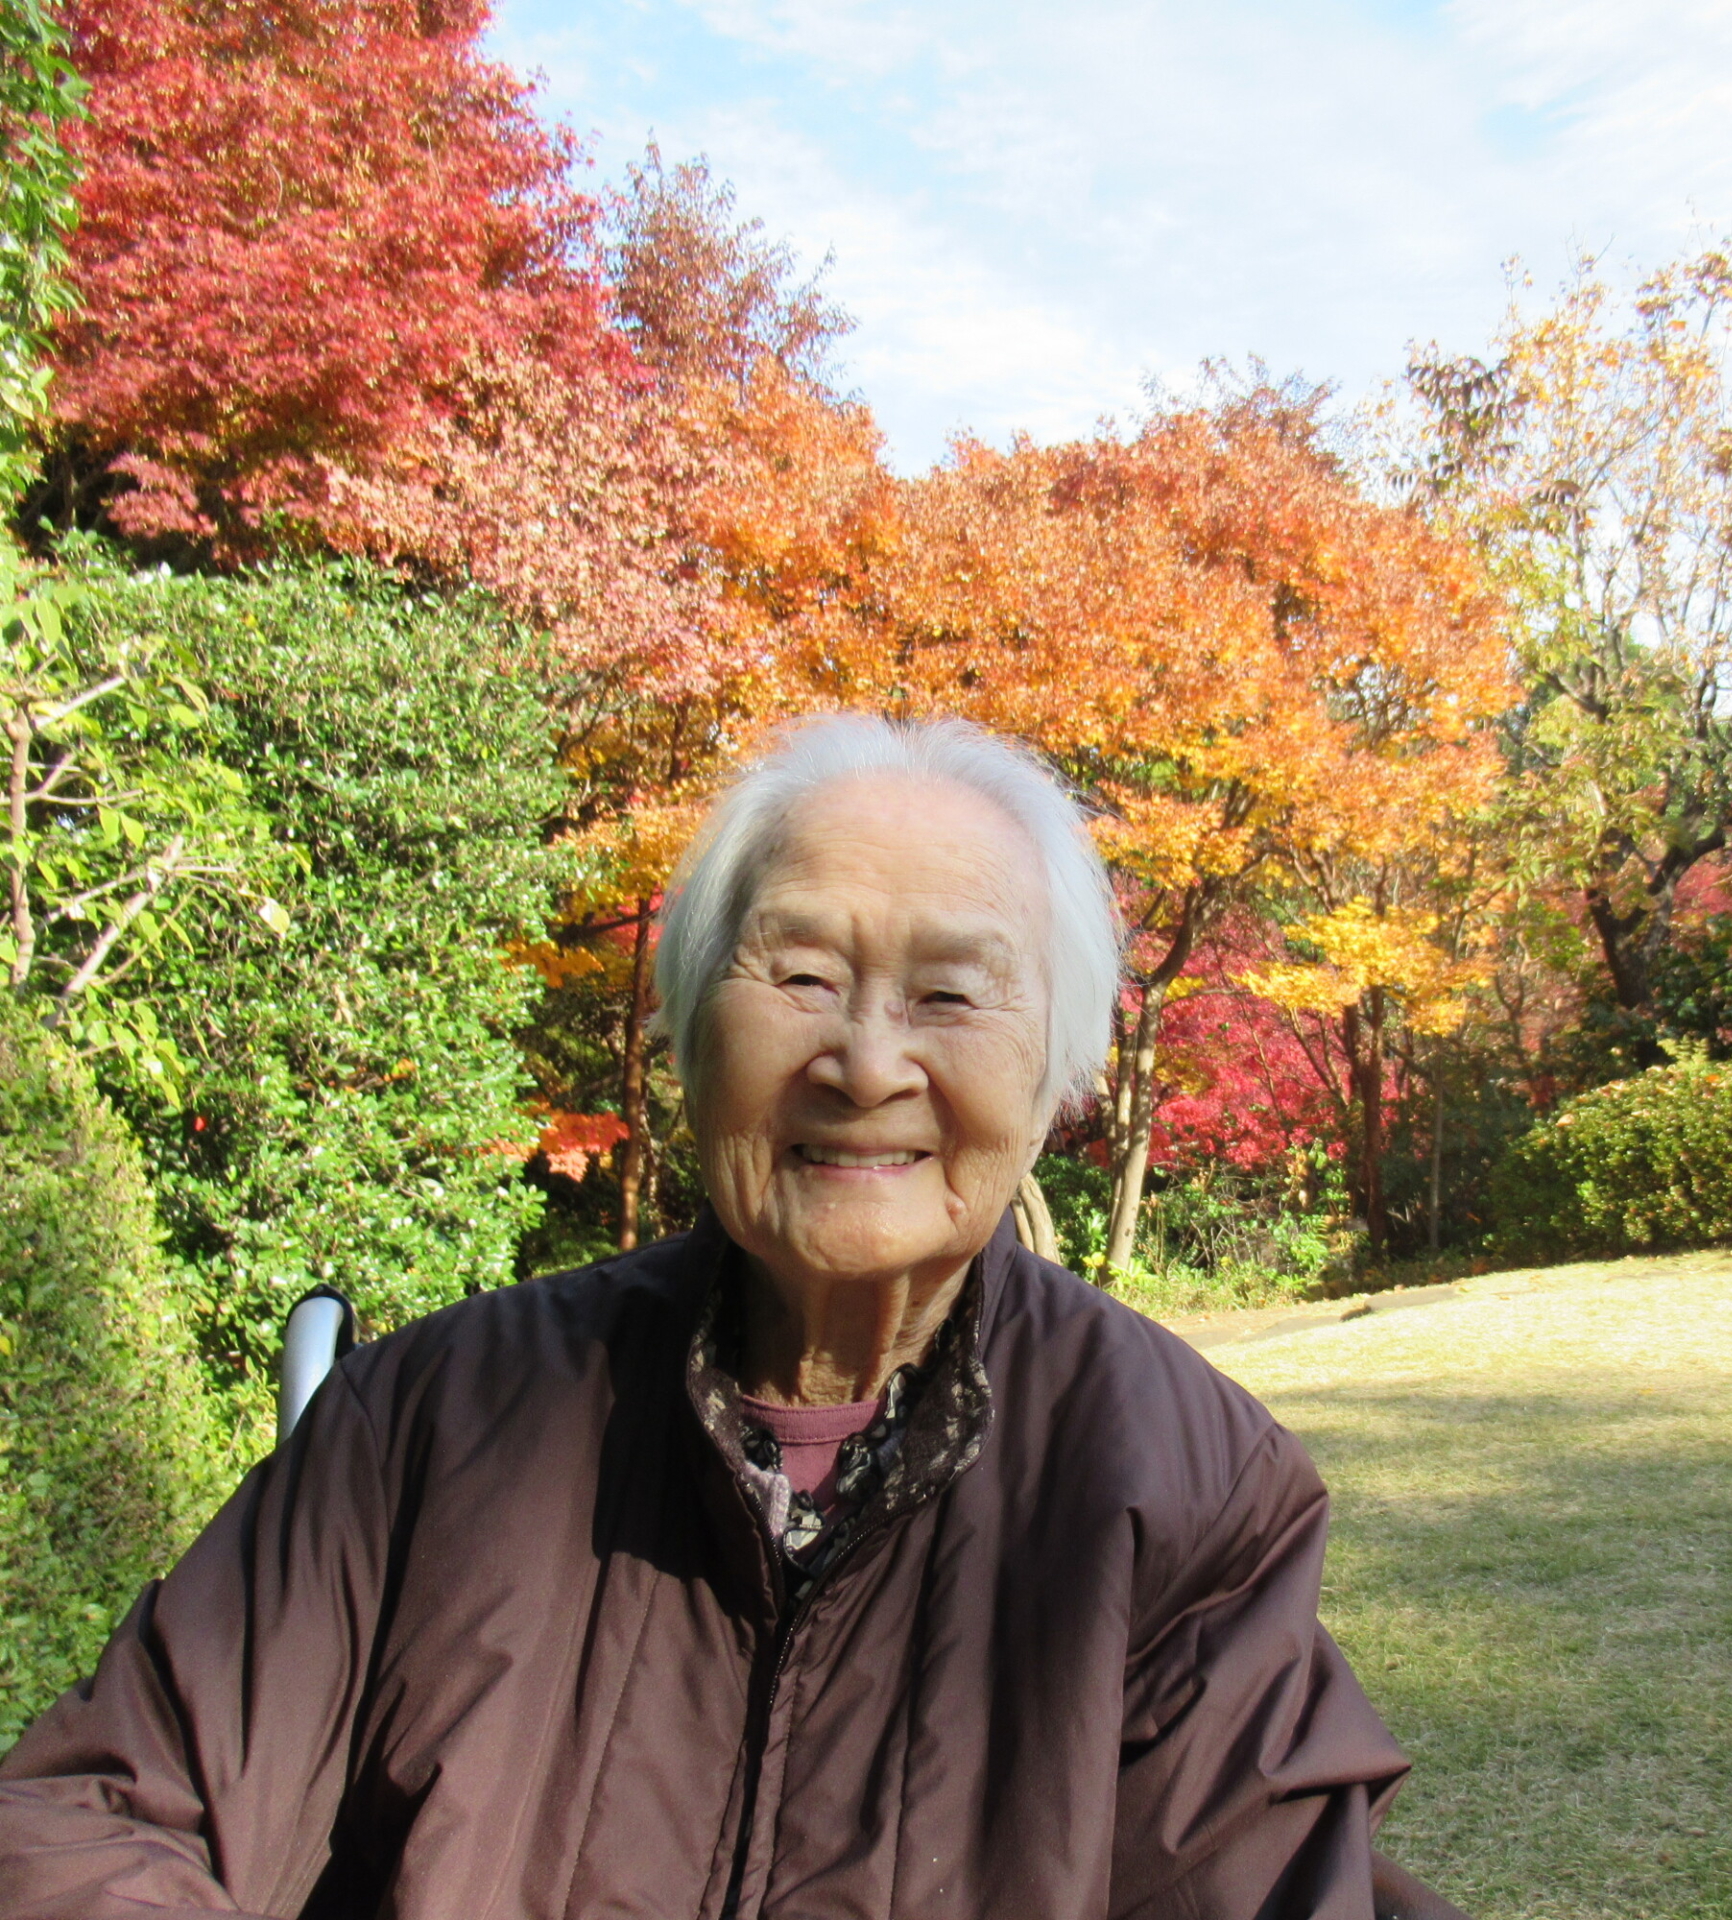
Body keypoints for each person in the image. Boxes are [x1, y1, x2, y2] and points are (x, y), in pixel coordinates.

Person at [0, 715, 1465, 1920]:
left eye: (952, 994)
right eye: (803, 976)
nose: (865, 1062)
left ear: (1060, 1074)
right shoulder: (434, 1423)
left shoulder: (1187, 1481)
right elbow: (94, 1811)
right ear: (694, 1029)